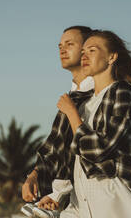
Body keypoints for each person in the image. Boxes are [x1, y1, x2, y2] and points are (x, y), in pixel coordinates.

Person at [33, 30, 131, 217]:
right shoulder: (85, 104)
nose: (84, 55)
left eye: (92, 50)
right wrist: (57, 195)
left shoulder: (121, 93)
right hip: (84, 201)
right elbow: (74, 159)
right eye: (83, 51)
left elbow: (98, 150)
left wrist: (72, 113)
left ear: (111, 57)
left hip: (119, 201)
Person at [21, 25, 94, 217]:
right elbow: (55, 146)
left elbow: (85, 149)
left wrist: (57, 194)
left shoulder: (100, 97)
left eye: (70, 44)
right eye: (60, 46)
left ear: (88, 50)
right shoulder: (72, 97)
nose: (62, 49)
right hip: (74, 204)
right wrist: (34, 175)